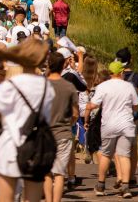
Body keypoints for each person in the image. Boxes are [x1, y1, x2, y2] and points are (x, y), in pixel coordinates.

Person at [0, 39, 55, 202]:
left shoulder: (12, 84)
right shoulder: (47, 87)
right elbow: (46, 119)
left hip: (10, 146)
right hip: (36, 148)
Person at [85, 61, 138, 198]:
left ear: (110, 73)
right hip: (126, 125)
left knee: (105, 154)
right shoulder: (129, 86)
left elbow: (94, 104)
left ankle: (101, 185)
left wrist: (87, 109)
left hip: (109, 124)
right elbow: (136, 106)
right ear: (121, 72)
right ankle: (126, 187)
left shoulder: (103, 86)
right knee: (124, 155)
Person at [44, 52, 79, 202]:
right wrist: (68, 123)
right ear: (63, 65)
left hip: (45, 134)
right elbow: (75, 113)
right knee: (59, 174)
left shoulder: (42, 85)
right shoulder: (69, 87)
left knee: (46, 173)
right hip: (63, 133)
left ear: (48, 65)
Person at [115, 47, 138, 186]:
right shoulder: (137, 77)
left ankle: (120, 176)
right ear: (130, 60)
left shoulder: (115, 76)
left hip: (117, 116)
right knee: (133, 147)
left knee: (118, 147)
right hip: (133, 118)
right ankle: (132, 176)